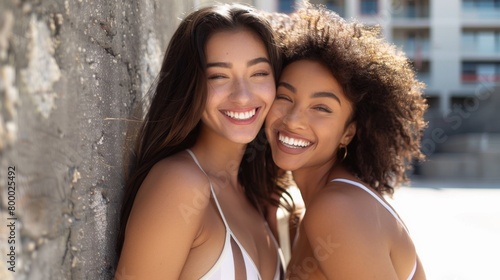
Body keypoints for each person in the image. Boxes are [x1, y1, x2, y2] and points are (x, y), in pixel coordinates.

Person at [115, 3, 286, 279]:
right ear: (190, 85)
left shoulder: (257, 193)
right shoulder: (180, 183)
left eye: (259, 74)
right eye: (218, 76)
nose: (242, 96)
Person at [264, 5, 427, 280]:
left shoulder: (337, 210)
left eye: (322, 108)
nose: (293, 120)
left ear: (348, 133)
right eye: (285, 97)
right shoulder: (319, 205)